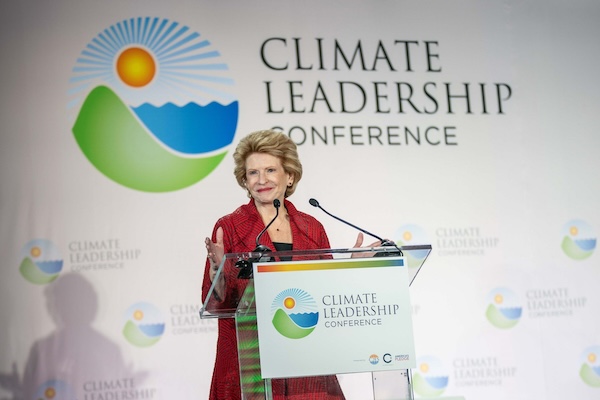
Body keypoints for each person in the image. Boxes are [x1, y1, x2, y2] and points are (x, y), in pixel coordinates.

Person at [202, 129, 374, 400]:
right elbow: (219, 306)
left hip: (306, 367)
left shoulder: (311, 227)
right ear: (244, 181)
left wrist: (350, 270)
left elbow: (326, 297)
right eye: (253, 173)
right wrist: (216, 274)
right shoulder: (230, 227)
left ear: (289, 175)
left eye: (270, 170)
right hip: (251, 367)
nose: (262, 180)